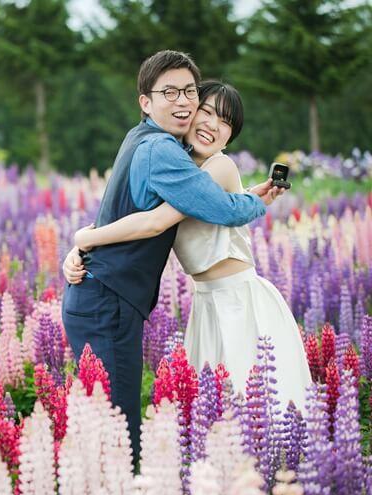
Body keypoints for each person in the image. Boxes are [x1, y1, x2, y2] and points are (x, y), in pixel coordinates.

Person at [60, 50, 283, 464]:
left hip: (108, 296)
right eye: (170, 93)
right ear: (146, 101)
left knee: (110, 419)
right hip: (108, 298)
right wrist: (80, 242)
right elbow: (172, 218)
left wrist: (83, 241)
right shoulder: (164, 152)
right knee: (118, 427)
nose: (184, 103)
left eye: (189, 92)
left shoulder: (143, 140)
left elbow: (134, 212)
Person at [69, 80, 309, 412]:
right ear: (191, 114)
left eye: (224, 122)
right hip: (206, 303)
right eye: (206, 112)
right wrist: (78, 252)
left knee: (252, 407)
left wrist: (85, 238)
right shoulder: (175, 169)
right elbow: (130, 216)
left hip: (240, 302)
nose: (212, 124)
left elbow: (156, 221)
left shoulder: (219, 167)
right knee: (208, 413)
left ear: (230, 136)